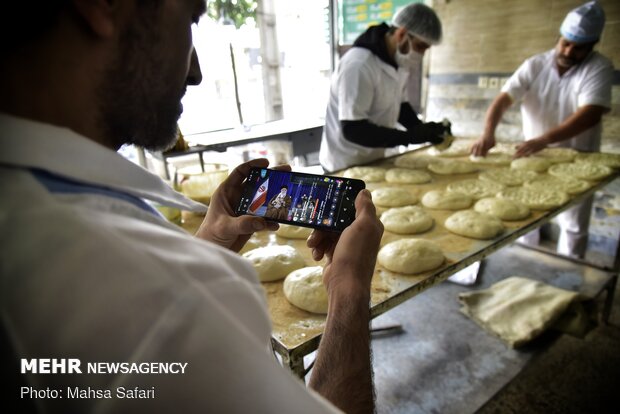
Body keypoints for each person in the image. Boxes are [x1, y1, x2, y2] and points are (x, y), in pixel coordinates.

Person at [0, 1, 383, 413]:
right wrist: (349, 289)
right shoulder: (167, 296)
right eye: (190, 17)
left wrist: (209, 243)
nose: (195, 72)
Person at [470, 1, 614, 258]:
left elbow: (590, 113)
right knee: (526, 214)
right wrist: (488, 133)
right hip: (533, 154)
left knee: (573, 222)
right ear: (559, 37)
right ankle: (528, 263)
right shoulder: (536, 65)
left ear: (592, 45)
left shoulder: (598, 67)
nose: (569, 51)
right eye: (565, 43)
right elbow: (503, 100)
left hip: (578, 157)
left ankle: (569, 274)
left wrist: (545, 139)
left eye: (578, 48)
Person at [319, 2, 451, 173]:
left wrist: (423, 130)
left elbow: (400, 106)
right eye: (420, 47)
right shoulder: (359, 65)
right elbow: (353, 129)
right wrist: (409, 138)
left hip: (375, 159)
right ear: (402, 34)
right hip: (345, 164)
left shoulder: (398, 63)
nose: (421, 54)